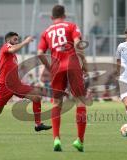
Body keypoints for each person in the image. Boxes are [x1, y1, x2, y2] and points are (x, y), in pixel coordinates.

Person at [0, 32, 51, 134]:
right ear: (8, 40)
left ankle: (38, 125)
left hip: (16, 85)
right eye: (15, 39)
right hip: (4, 86)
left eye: (18, 39)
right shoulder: (6, 47)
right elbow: (13, 49)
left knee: (36, 97)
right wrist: (26, 42)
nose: (17, 41)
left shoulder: (13, 56)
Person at [37, 5, 88, 152]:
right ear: (64, 15)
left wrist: (49, 67)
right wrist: (84, 63)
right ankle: (80, 140)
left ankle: (56, 139)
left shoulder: (46, 32)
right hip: (72, 64)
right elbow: (78, 44)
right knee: (80, 101)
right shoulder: (71, 26)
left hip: (57, 67)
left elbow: (40, 52)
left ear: (52, 17)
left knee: (56, 104)